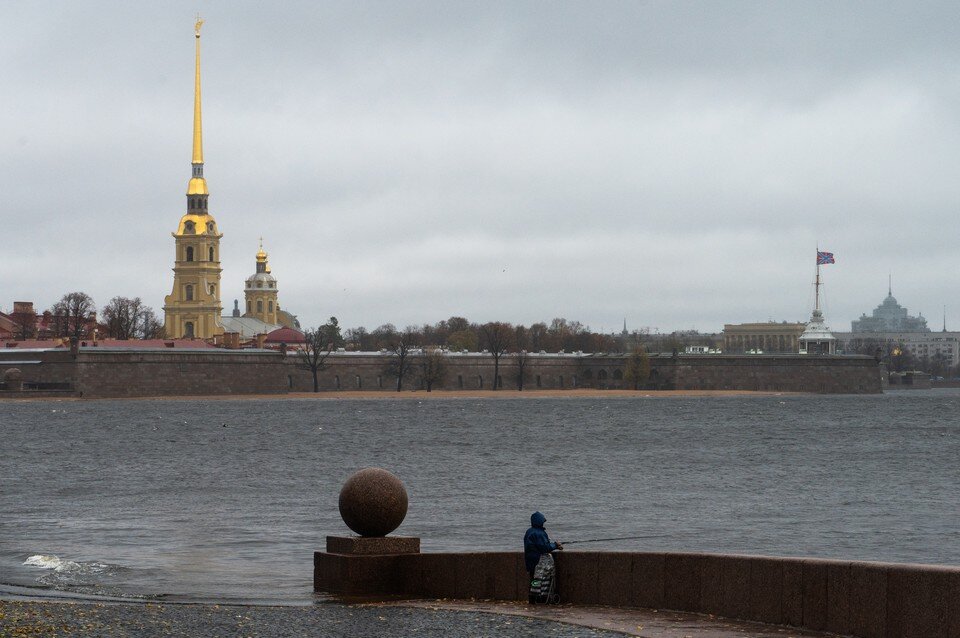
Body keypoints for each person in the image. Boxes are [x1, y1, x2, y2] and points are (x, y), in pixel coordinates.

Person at [523, 511, 563, 582]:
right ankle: (538, 593)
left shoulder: (529, 531)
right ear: (540, 522)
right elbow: (545, 548)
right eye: (543, 521)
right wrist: (555, 545)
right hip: (538, 562)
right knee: (539, 582)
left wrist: (554, 545)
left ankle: (532, 592)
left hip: (530, 561)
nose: (543, 523)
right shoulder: (539, 533)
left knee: (533, 581)